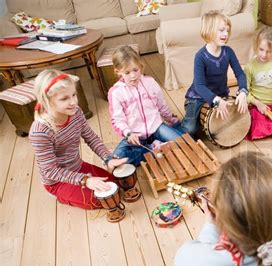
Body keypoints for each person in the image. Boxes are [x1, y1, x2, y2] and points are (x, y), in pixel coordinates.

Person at [29, 69, 127, 210]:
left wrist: (108, 158)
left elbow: (91, 137)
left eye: (74, 95)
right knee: (101, 200)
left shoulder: (76, 112)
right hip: (57, 181)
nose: (73, 102)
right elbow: (49, 171)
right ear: (46, 101)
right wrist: (85, 180)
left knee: (115, 186)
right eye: (64, 99)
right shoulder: (40, 131)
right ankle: (62, 196)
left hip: (78, 167)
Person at [108, 45, 182, 166]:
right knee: (116, 160)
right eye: (127, 72)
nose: (133, 75)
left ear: (140, 66)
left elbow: (162, 105)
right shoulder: (116, 92)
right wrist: (128, 133)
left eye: (135, 70)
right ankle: (155, 148)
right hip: (135, 136)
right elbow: (117, 120)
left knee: (183, 143)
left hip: (157, 128)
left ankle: (151, 149)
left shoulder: (150, 82)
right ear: (118, 72)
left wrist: (171, 119)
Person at [180, 10, 248, 137]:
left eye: (227, 30)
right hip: (198, 97)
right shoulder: (200, 56)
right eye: (221, 30)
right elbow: (199, 86)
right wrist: (216, 100)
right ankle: (184, 117)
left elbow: (240, 74)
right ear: (209, 30)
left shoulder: (228, 52)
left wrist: (243, 91)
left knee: (230, 123)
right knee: (190, 131)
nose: (225, 34)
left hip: (220, 94)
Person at [244, 26, 272, 140]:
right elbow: (244, 92)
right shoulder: (250, 67)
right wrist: (257, 103)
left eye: (269, 51)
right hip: (258, 106)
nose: (264, 55)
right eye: (261, 49)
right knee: (257, 126)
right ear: (256, 46)